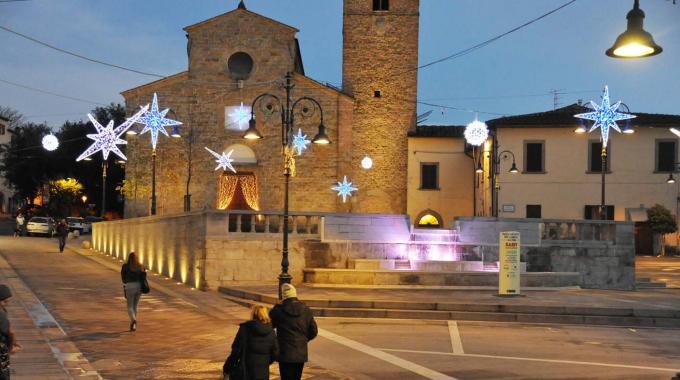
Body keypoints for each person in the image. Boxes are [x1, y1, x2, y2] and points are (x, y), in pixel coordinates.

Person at [269, 284, 317, 380]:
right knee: (296, 377)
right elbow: (314, 331)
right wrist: (303, 340)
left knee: (286, 377)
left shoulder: (278, 310)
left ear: (283, 296)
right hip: (300, 352)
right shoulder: (306, 310)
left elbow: (269, 326)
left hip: (284, 351)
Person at [223, 305, 279, 380]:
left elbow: (236, 351)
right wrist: (265, 361)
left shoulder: (245, 329)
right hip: (263, 373)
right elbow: (275, 353)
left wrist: (227, 368)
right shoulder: (271, 332)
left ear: (253, 314)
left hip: (246, 371)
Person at [0, 285, 22, 380]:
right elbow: (10, 332)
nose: (6, 304)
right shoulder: (1, 314)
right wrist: (12, 346)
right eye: (4, 301)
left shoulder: (3, 311)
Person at [120, 252, 145, 332]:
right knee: (135, 306)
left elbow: (123, 278)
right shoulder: (141, 266)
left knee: (130, 306)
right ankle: (133, 325)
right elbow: (144, 277)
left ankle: (133, 320)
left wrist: (126, 282)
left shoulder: (125, 266)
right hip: (139, 287)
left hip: (129, 286)